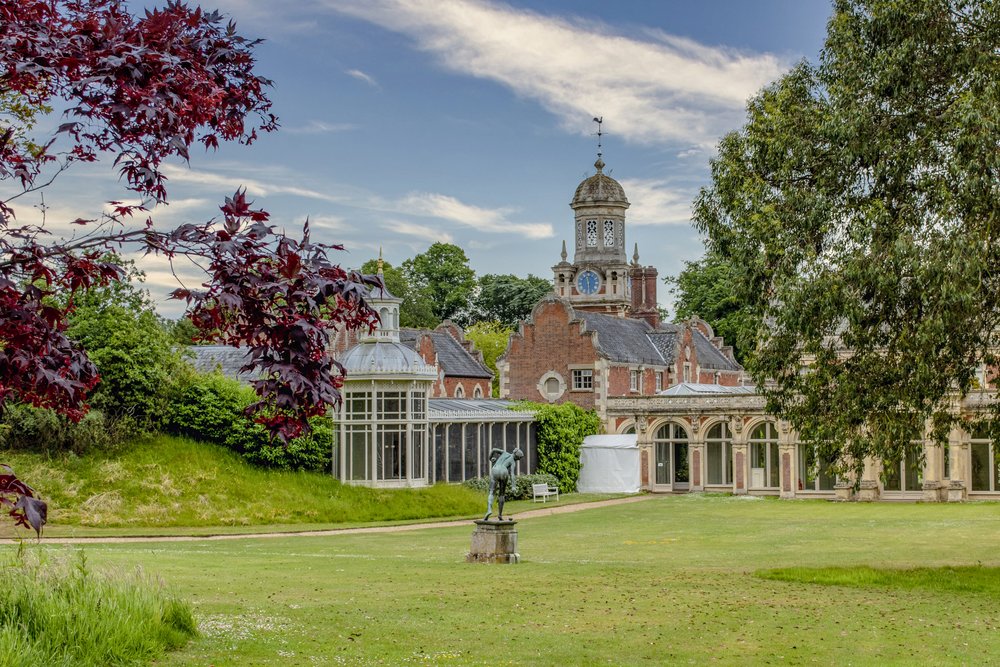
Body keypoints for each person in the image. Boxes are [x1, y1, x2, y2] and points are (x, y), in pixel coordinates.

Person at [484, 447, 523, 521]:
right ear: (516, 456)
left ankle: (489, 510)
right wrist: (513, 486)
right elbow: (512, 474)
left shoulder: (504, 453)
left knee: (491, 492)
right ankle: (500, 515)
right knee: (502, 494)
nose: (517, 460)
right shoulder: (512, 462)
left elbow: (493, 449)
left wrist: (490, 458)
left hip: (495, 470)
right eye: (518, 459)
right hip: (504, 472)